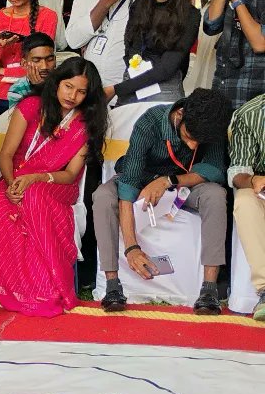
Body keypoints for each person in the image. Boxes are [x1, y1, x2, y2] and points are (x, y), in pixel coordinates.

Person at [92, 89, 232, 315]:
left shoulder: (212, 124)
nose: (193, 146)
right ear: (180, 115)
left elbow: (215, 169)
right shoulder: (150, 122)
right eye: (189, 136)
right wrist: (131, 248)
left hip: (184, 183)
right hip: (140, 179)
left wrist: (169, 181)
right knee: (102, 196)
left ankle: (209, 289)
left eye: (200, 141)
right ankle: (112, 285)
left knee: (215, 195)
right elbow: (128, 186)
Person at [0, 58, 108, 317]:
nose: (73, 96)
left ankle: (48, 288)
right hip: (15, 178)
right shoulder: (31, 107)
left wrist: (38, 178)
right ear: (56, 83)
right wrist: (11, 185)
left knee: (35, 195)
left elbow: (71, 174)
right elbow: (6, 156)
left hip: (57, 184)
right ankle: (16, 288)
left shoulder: (84, 124)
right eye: (68, 86)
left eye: (81, 91)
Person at [105, 0, 200, 105]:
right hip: (133, 81)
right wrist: (133, 72)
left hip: (164, 87)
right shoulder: (139, 5)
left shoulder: (190, 15)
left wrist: (117, 89)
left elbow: (167, 68)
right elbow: (130, 48)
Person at [0, 0, 58, 114]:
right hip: (3, 95)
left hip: (35, 90)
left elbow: (42, 65)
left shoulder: (48, 16)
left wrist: (4, 71)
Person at [228, 93, 265, 319]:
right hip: (263, 190)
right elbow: (237, 171)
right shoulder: (250, 113)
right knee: (244, 200)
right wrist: (253, 180)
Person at [7, 32, 57, 110]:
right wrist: (38, 88)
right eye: (37, 60)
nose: (44, 66)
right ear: (24, 63)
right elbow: (20, 119)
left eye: (50, 59)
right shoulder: (17, 89)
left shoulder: (64, 83)